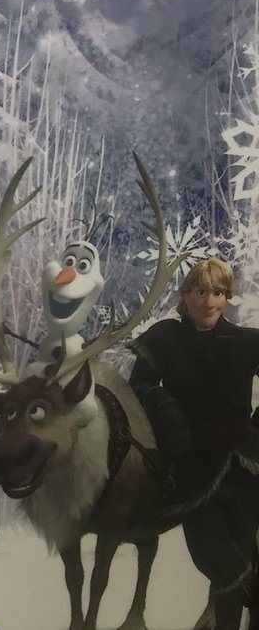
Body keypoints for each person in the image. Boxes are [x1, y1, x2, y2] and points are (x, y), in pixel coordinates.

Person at [128, 257, 259, 630]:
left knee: (241, 556)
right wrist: (166, 408)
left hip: (245, 468)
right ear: (185, 295)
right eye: (201, 291)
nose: (210, 301)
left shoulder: (248, 341)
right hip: (192, 466)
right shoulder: (165, 338)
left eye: (218, 292)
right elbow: (140, 384)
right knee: (217, 559)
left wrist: (256, 429)